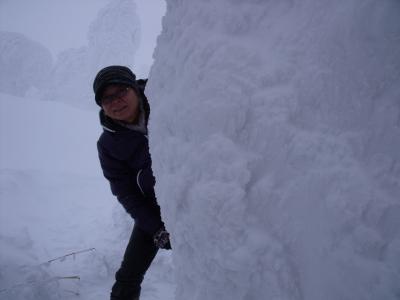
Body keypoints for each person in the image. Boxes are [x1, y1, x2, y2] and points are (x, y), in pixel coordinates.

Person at [93, 65, 171, 300]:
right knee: (128, 276)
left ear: (135, 89)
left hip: (195, 192)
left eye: (121, 92)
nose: (116, 102)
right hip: (153, 206)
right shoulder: (108, 144)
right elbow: (125, 192)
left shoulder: (167, 98)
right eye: (107, 98)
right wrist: (155, 228)